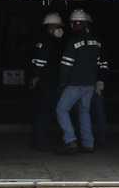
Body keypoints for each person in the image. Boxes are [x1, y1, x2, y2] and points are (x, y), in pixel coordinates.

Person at [56, 9, 109, 154]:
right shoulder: (96, 42)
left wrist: (62, 83)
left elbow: (66, 65)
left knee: (61, 109)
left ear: (74, 24)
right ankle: (88, 144)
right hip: (90, 85)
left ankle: (70, 141)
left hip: (74, 84)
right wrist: (100, 80)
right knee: (84, 112)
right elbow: (102, 63)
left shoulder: (73, 42)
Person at [29, 11, 65, 151]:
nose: (58, 29)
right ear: (50, 27)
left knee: (46, 112)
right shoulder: (48, 42)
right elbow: (40, 62)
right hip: (48, 83)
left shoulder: (49, 41)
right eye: (56, 26)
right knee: (45, 112)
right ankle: (40, 142)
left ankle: (41, 141)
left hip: (48, 82)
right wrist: (36, 76)